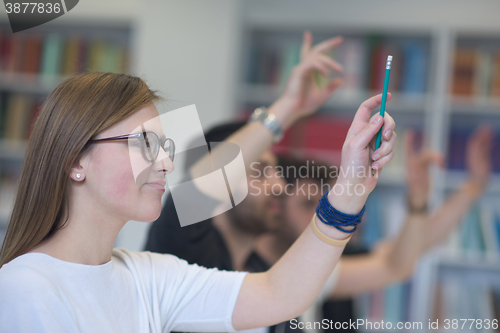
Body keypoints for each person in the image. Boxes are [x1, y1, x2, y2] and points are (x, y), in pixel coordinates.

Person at [0, 34, 397, 333]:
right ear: (74, 161)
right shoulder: (27, 288)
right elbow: (200, 190)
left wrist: (352, 186)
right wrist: (287, 108)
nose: (166, 161)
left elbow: (281, 294)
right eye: (145, 143)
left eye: (165, 144)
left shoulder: (147, 276)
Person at [253, 125, 492, 332]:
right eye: (306, 205)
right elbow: (397, 263)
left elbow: (402, 256)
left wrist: (469, 189)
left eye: (322, 203)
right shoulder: (248, 278)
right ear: (275, 208)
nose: (319, 215)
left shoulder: (324, 262)